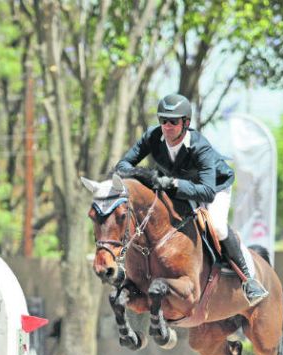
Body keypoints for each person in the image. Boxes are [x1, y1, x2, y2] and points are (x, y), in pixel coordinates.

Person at [115, 93, 269, 306]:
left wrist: (173, 184)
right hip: (176, 187)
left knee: (217, 226)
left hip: (215, 187)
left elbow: (207, 192)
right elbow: (122, 166)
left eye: (173, 121)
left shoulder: (200, 147)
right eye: (163, 120)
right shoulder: (153, 136)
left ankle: (248, 279)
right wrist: (144, 174)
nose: (167, 126)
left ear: (186, 123)